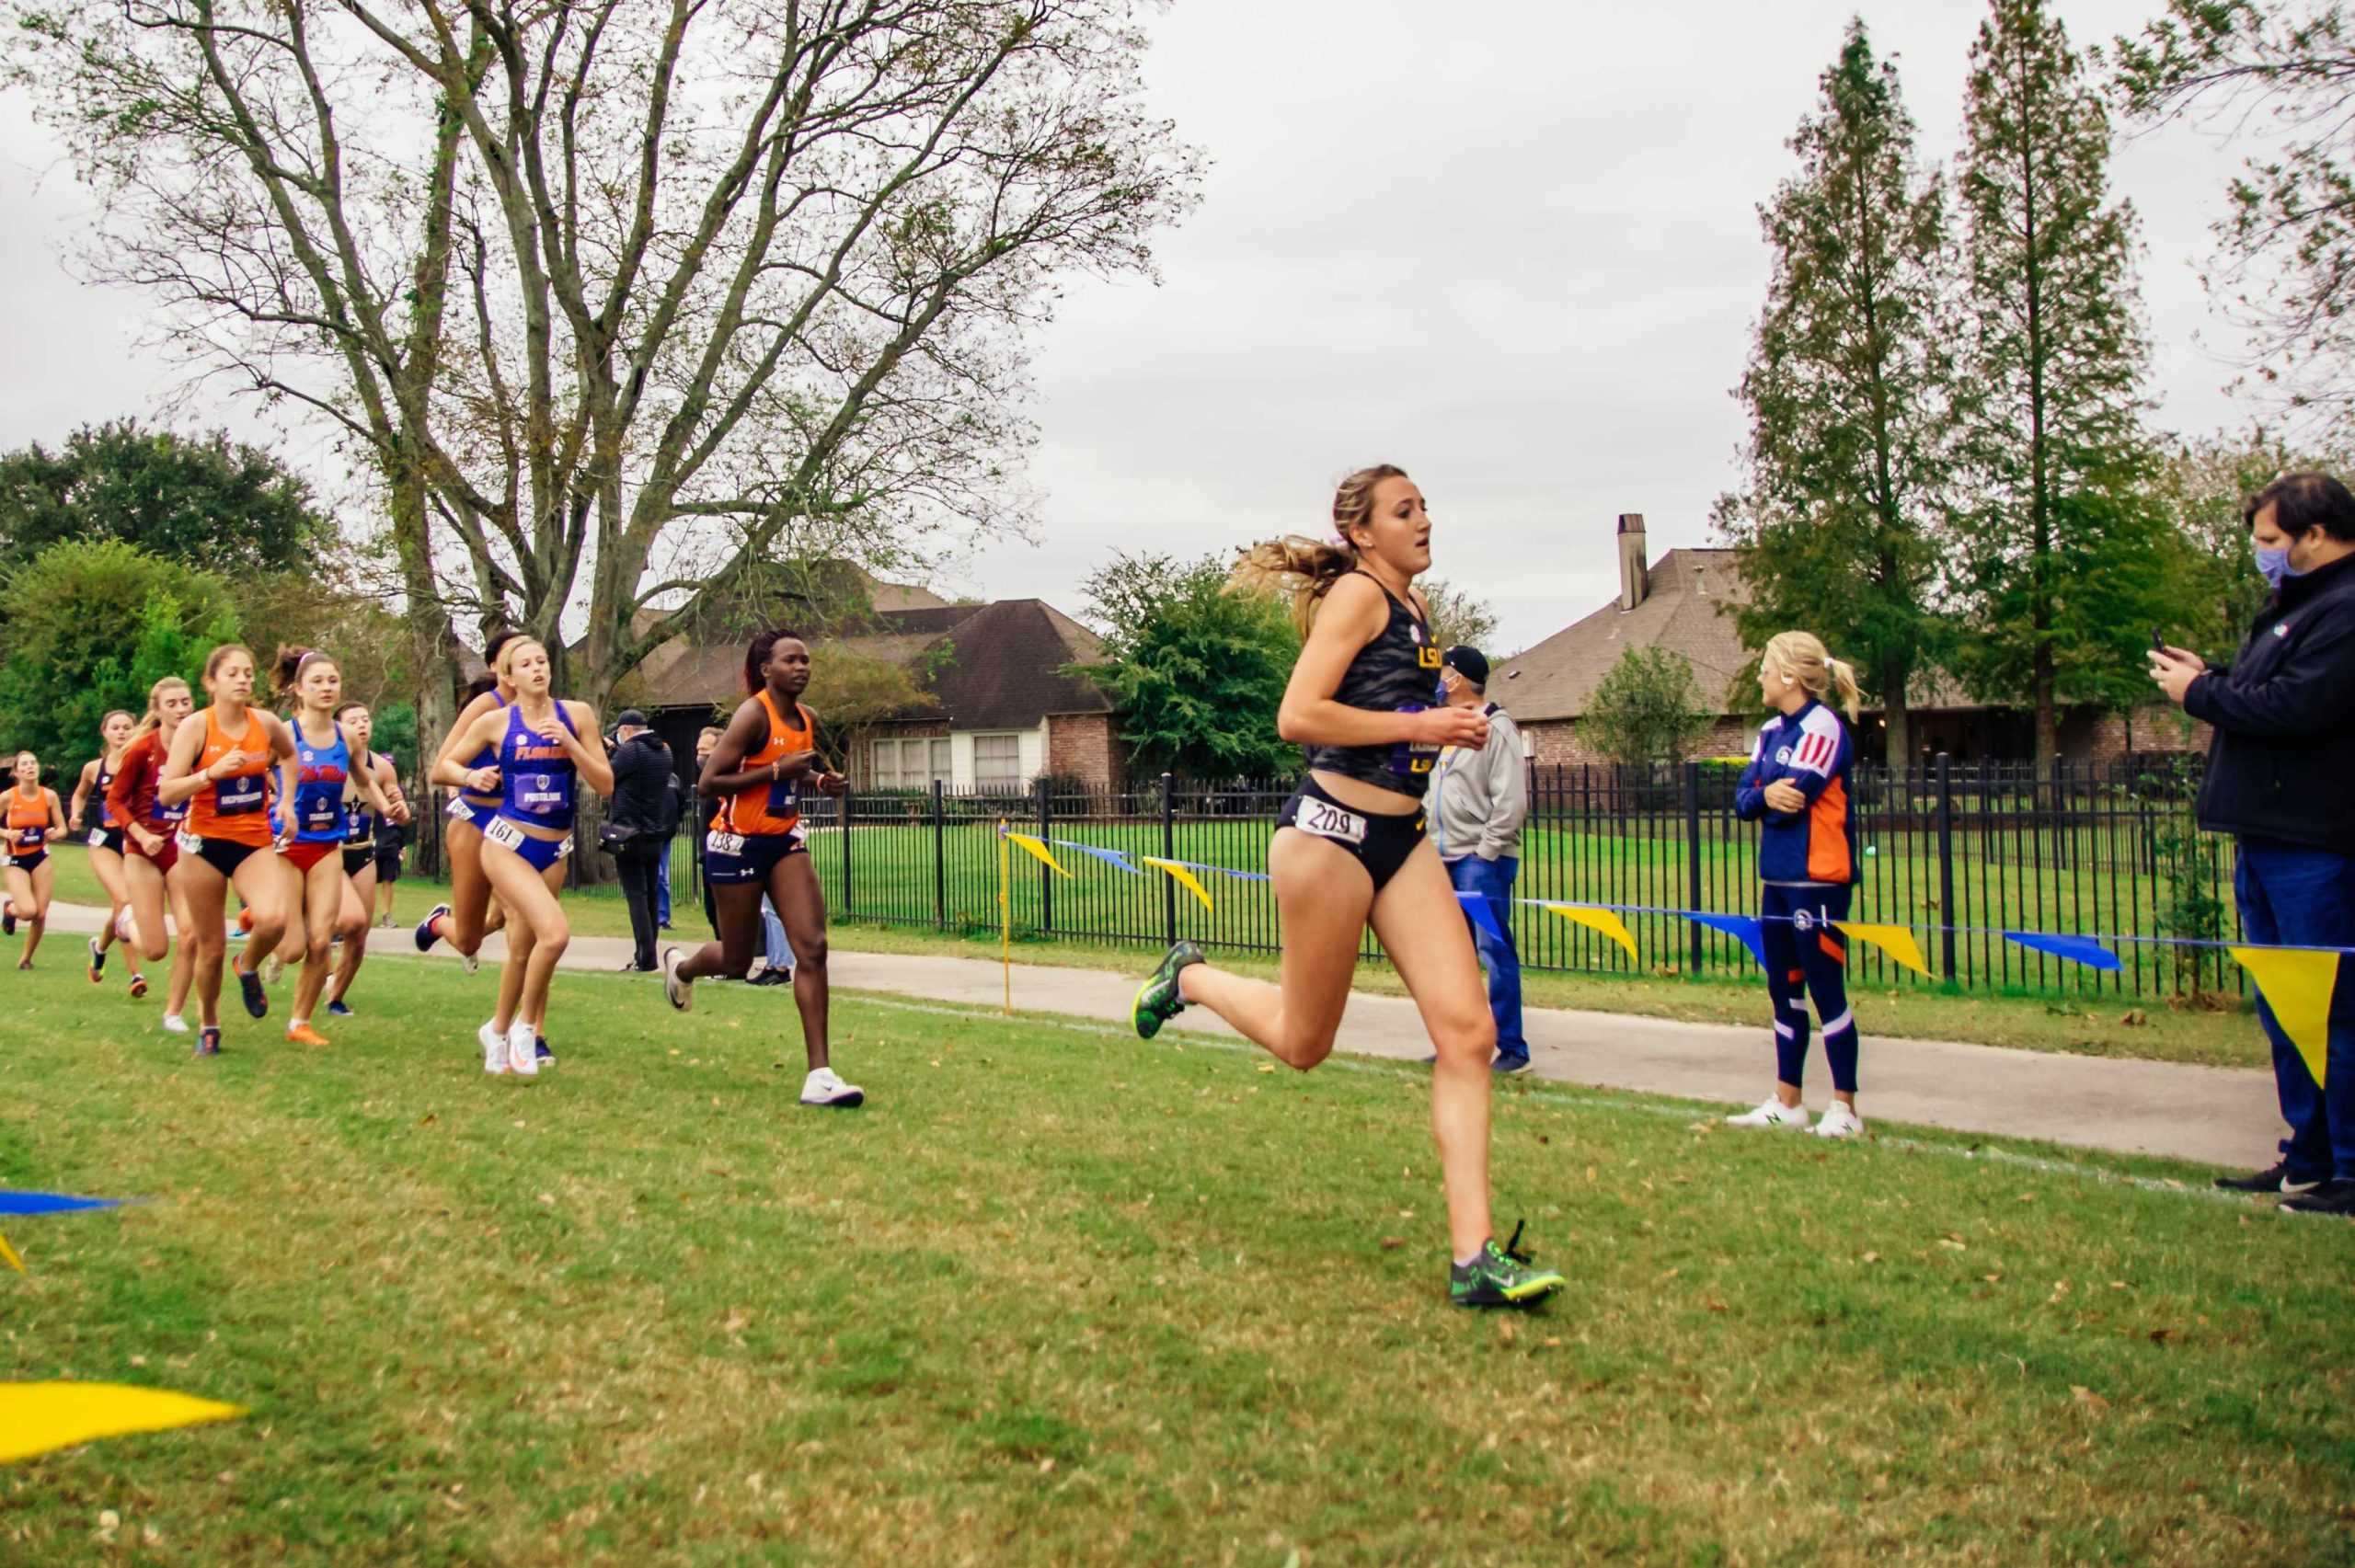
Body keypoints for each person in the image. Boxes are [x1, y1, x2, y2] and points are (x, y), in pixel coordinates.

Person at [1127, 464, 1566, 1310]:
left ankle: (1474, 1258)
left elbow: (1394, 720)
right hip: (1328, 835)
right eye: (1406, 511)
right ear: (1364, 532)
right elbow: (1298, 715)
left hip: (1402, 839)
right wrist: (1422, 723)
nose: (1425, 520)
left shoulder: (1414, 609)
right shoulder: (1359, 597)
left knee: (1469, 1033)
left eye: (1426, 506)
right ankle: (1188, 975)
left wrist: (1444, 733)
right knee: (1304, 1042)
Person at [2152, 471, 2355, 1217]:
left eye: (2270, 541)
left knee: (2330, 1008)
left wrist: (2199, 696)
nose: (2261, 553)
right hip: (2263, 836)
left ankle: (2348, 1164)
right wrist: (2209, 677)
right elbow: (2258, 690)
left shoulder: (2345, 610)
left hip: (2315, 844)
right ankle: (2306, 1155)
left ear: (2317, 533)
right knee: (2282, 1007)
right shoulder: (2286, 612)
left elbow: (2295, 707)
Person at [662, 629, 858, 1107]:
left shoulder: (807, 718)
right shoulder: (753, 714)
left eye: (806, 660)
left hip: (783, 840)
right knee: (736, 959)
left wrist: (819, 780)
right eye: (791, 660)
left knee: (812, 947)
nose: (802, 667)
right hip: (736, 842)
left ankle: (821, 1075)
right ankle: (682, 967)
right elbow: (710, 782)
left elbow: (791, 766)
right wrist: (778, 772)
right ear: (766, 669)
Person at [440, 636, 613, 1076]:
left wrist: (571, 746)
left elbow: (606, 784)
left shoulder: (577, 715)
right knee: (554, 935)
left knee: (524, 948)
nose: (537, 668)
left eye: (542, 661)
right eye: (526, 664)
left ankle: (496, 1031)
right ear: (509, 677)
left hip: (555, 847)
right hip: (506, 844)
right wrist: (471, 775)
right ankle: (526, 1029)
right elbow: (442, 768)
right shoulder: (496, 721)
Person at [1726, 631, 1866, 1139]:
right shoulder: (1768, 732)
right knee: (1783, 990)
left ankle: (1845, 1107)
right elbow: (1745, 801)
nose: (1758, 677)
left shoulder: (1823, 726)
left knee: (1826, 987)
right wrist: (1765, 795)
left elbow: (1799, 793)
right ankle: (1788, 1100)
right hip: (1777, 876)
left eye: (1764, 668)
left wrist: (1766, 794)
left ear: (1788, 675)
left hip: (1819, 879)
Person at [156, 644, 298, 1056]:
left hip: (252, 840)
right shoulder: (196, 728)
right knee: (211, 946)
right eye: (233, 673)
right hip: (201, 846)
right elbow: (167, 793)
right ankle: (209, 1024)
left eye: (249, 673)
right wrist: (209, 774)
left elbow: (289, 758)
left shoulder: (266, 723)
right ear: (211, 682)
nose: (243, 680)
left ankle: (249, 965)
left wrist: (286, 802)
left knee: (273, 919)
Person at [270, 649, 393, 1045]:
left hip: (327, 846)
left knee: (322, 940)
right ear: (298, 690)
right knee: (290, 950)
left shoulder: (345, 737)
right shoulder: (285, 734)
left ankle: (299, 1024)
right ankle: (253, 945)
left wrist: (388, 806)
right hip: (287, 846)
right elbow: (254, 773)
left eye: (332, 681)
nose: (326, 688)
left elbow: (363, 778)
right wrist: (279, 804)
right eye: (317, 682)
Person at [1428, 645, 1531, 1073]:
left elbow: (1510, 801)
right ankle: (1460, 1043)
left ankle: (1512, 1048)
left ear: (1463, 679)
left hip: (1479, 858)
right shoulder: (1447, 731)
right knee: (1454, 956)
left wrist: (1486, 851)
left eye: (1446, 673)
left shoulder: (1496, 729)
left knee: (1494, 950)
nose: (1440, 681)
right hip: (1442, 855)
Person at [415, 633, 523, 971]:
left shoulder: (545, 709)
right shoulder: (486, 706)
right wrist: (470, 777)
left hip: (517, 824)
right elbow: (441, 768)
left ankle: (525, 1011)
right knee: (467, 940)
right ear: (496, 667)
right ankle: (438, 924)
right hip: (476, 820)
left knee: (513, 915)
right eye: (513, 656)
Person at [109, 677, 200, 1030]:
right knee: (155, 950)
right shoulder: (141, 749)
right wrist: (140, 834)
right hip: (142, 852)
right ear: (158, 709)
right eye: (172, 703)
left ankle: (173, 1013)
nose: (181, 709)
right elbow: (115, 800)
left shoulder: (201, 746)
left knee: (191, 934)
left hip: (182, 852)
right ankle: (126, 921)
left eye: (186, 702)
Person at [326, 701, 408, 1016]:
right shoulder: (328, 762)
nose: (362, 726)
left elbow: (399, 813)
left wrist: (400, 809)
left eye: (366, 719)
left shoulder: (382, 767)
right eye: (353, 721)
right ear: (338, 727)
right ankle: (307, 942)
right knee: (348, 921)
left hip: (363, 851)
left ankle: (335, 996)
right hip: (330, 852)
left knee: (359, 935)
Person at [69, 711, 143, 993]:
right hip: (104, 842)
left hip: (134, 841)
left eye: (127, 727)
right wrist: (76, 814)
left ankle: (99, 947)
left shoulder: (142, 763)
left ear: (135, 730)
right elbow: (79, 793)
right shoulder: (93, 768)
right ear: (105, 732)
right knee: (124, 901)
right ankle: (136, 975)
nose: (122, 732)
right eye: (116, 727)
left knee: (123, 907)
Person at [605, 708, 674, 973]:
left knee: (636, 896)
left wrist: (609, 752)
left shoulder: (631, 751)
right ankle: (648, 952)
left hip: (629, 832)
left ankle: (645, 957)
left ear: (625, 731)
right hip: (654, 831)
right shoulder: (664, 751)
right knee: (651, 895)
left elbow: (607, 777)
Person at [3, 750, 66, 970]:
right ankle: (11, 909)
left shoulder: (49, 796)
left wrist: (54, 833)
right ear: (17, 772)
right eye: (24, 764)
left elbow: (62, 829)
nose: (30, 767)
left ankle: (26, 958)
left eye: (33, 763)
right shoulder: (8, 797)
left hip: (40, 857)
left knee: (40, 912)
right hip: (15, 859)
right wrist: (7, 834)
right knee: (28, 911)